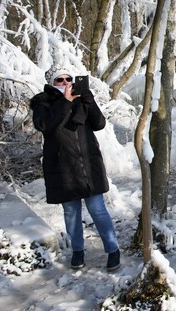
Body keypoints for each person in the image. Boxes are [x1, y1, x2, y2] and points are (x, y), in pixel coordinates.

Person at [30, 66, 121, 271]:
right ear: (52, 83)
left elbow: (98, 124)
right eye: (59, 80)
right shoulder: (42, 102)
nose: (65, 83)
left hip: (88, 164)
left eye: (68, 79)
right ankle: (78, 251)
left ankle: (113, 250)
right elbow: (44, 125)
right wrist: (65, 102)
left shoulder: (81, 99)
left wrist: (89, 100)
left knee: (98, 210)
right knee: (71, 212)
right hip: (62, 167)